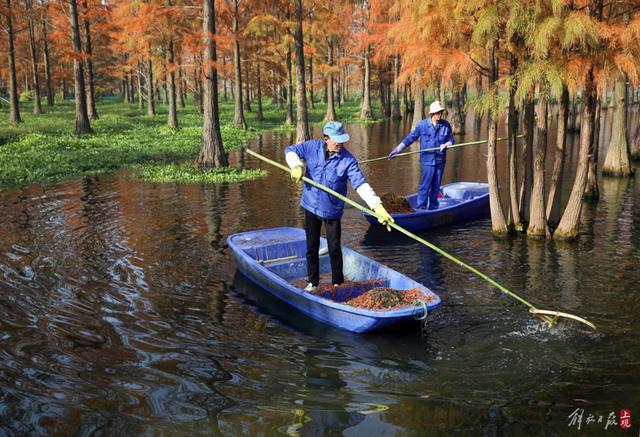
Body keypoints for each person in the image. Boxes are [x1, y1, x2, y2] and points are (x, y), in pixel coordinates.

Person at [285, 121, 393, 292]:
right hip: (310, 206)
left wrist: (377, 206)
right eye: (337, 141)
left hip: (332, 211)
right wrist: (296, 166)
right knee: (311, 248)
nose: (340, 144)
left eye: (343, 141)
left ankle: (337, 283)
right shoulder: (311, 147)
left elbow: (360, 184)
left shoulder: (348, 160)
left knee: (334, 248)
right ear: (326, 138)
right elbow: (290, 151)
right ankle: (313, 282)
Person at [388, 100, 454, 210]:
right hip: (427, 161)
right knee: (425, 185)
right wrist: (398, 149)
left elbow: (451, 139)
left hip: (440, 161)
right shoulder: (422, 125)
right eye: (438, 112)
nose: (440, 114)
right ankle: (421, 208)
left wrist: (447, 144)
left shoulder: (445, 125)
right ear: (432, 113)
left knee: (436, 186)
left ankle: (433, 207)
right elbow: (410, 138)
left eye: (441, 112)